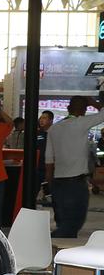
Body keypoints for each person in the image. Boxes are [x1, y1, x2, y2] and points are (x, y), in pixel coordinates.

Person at [46, 96, 104, 238]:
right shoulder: (81, 123)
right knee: (72, 223)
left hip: (58, 181)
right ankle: (54, 244)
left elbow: (49, 159)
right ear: (84, 110)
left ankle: (55, 243)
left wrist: (50, 182)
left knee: (63, 221)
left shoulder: (54, 128)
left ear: (68, 108)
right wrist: (94, 103)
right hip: (76, 182)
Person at [35, 110, 54, 199]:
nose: (41, 120)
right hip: (37, 169)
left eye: (44, 118)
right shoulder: (37, 134)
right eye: (41, 118)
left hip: (50, 169)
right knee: (33, 193)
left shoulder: (55, 134)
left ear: (51, 120)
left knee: (49, 195)